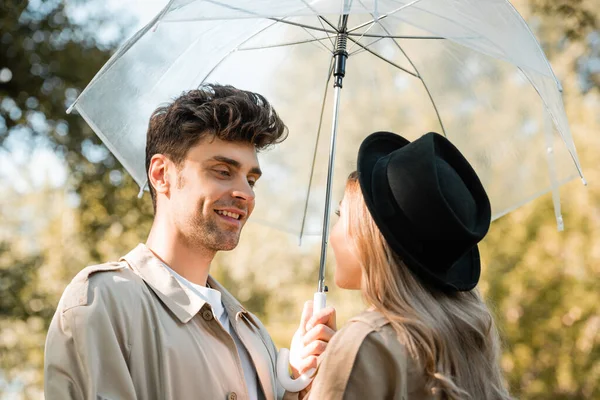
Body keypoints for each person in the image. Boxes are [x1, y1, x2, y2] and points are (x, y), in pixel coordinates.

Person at [44, 84, 336, 400]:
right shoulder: (103, 302)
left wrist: (303, 388)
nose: (246, 194)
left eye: (251, 180)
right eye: (223, 171)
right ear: (161, 174)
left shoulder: (256, 337)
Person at [308, 131, 512, 399]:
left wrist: (325, 374)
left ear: (368, 236)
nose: (331, 235)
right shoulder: (462, 346)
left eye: (340, 214)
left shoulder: (366, 343)